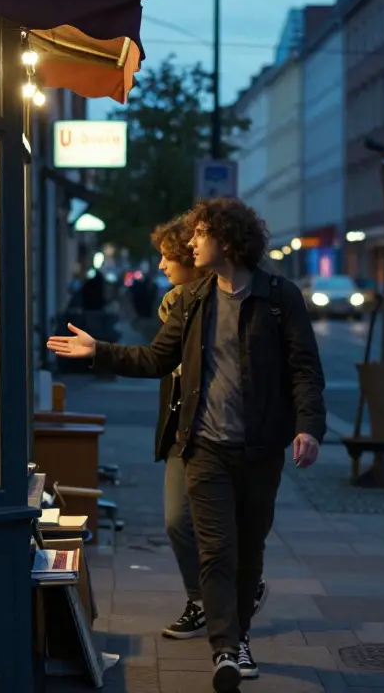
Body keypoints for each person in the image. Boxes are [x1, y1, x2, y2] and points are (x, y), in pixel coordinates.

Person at [47, 198, 326, 691]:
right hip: (205, 447)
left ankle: (236, 637)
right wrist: (99, 352)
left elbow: (304, 369)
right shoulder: (194, 299)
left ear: (227, 240)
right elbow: (157, 358)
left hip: (261, 449)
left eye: (200, 234)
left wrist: (309, 427)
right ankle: (227, 649)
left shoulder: (281, 298)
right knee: (216, 549)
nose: (191, 242)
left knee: (248, 549)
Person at [147, 216, 270, 644]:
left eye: (168, 257)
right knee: (178, 520)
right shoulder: (176, 306)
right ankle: (206, 599)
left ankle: (225, 612)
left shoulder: (217, 301)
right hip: (187, 432)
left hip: (227, 435)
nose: (162, 265)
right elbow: (155, 361)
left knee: (223, 528)